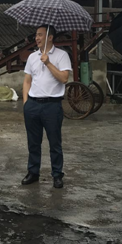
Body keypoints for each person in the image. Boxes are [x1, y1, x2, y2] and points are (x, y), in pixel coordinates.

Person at [21, 25, 72, 189]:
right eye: (36, 35)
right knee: (33, 142)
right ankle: (33, 172)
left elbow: (64, 78)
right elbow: (27, 81)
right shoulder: (32, 57)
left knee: (55, 143)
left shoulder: (62, 55)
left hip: (52, 105)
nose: (36, 38)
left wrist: (48, 63)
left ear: (50, 37)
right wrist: (26, 103)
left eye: (40, 35)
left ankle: (57, 175)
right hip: (33, 104)